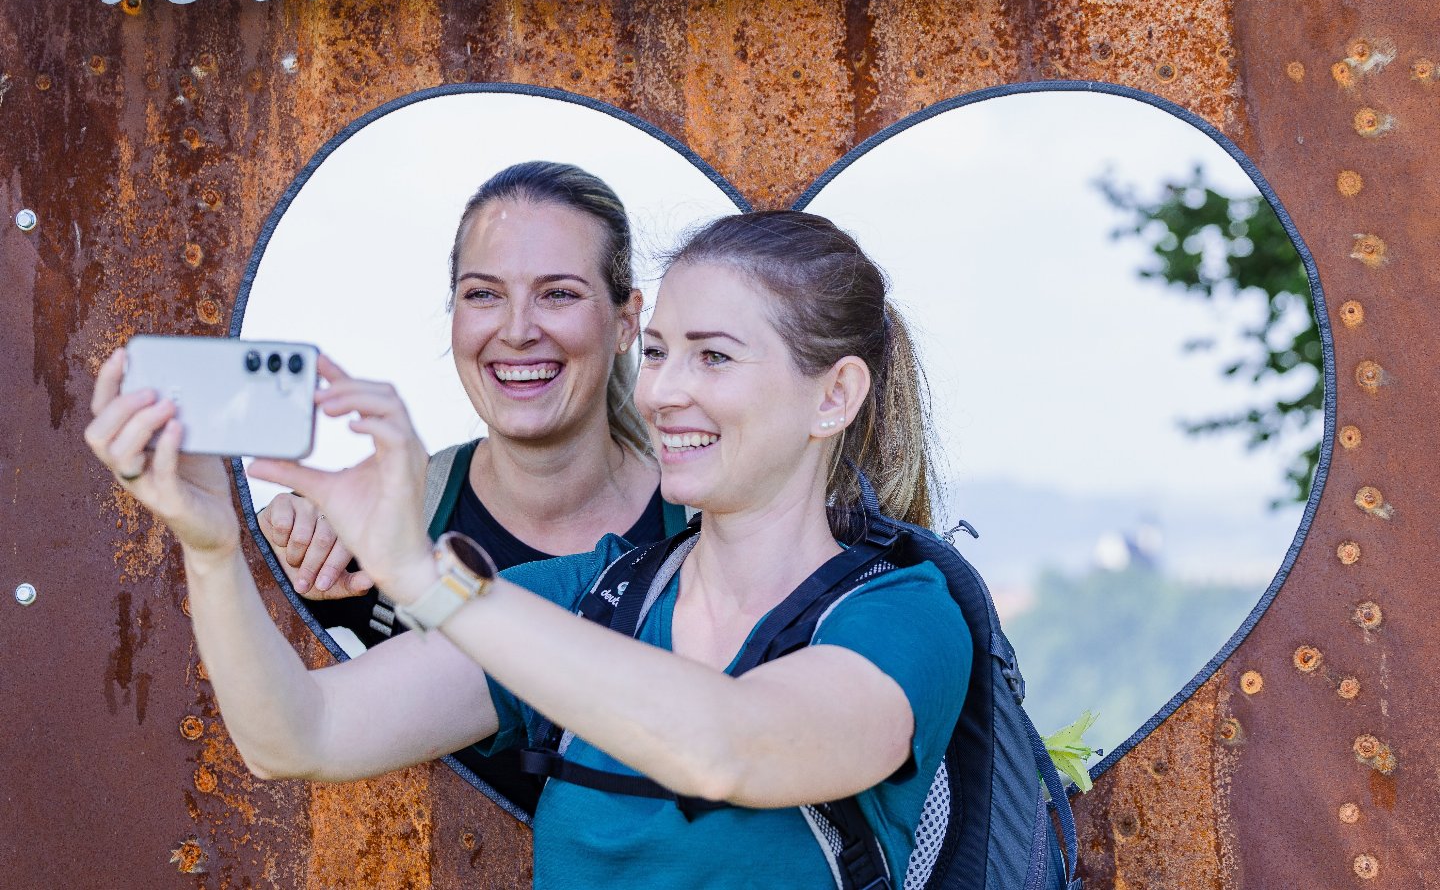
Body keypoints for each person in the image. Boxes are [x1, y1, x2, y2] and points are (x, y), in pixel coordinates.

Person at [85, 210, 972, 886]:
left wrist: (423, 574)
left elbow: (724, 745)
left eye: (713, 358)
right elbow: (299, 735)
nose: (663, 391)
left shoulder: (901, 616)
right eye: (658, 352)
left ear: (834, 396)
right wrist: (209, 544)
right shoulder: (587, 598)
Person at [260, 161, 687, 813]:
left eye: (559, 294)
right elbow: (281, 728)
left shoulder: (704, 527)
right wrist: (273, 548)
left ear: (628, 320)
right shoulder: (383, 519)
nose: (516, 330)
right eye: (484, 294)